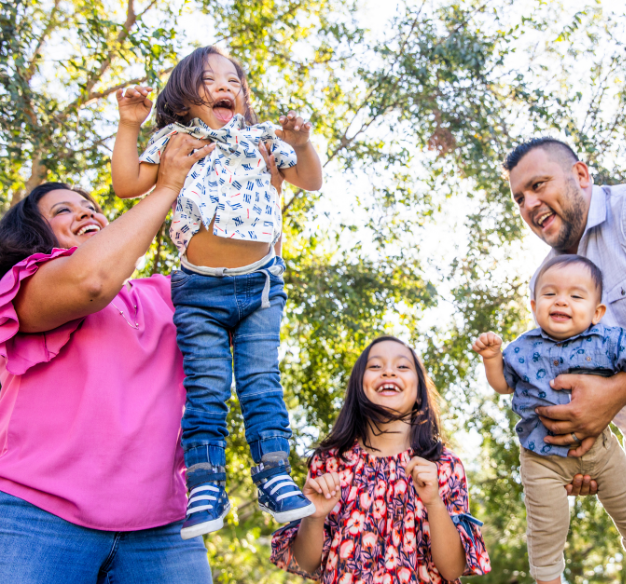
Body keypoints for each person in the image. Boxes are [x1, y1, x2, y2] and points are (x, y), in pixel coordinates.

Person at [111, 45, 323, 539]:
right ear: (185, 96)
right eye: (210, 79)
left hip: (261, 284)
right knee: (205, 391)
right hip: (198, 290)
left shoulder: (262, 138)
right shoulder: (174, 140)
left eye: (234, 80)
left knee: (260, 382)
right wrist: (128, 125)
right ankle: (205, 483)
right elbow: (125, 184)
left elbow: (309, 182)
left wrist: (302, 142)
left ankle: (274, 473)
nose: (226, 86)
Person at [0, 130, 218, 583]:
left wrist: (262, 181)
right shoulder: (22, 286)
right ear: (36, 233)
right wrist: (167, 187)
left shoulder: (164, 293)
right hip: (35, 516)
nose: (85, 212)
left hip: (163, 530)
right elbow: (91, 281)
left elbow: (243, 283)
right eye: (64, 210)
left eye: (91, 207)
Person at [271, 336, 491, 583]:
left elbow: (452, 570)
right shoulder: (329, 462)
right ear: (358, 387)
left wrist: (434, 503)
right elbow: (307, 563)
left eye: (402, 366)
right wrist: (314, 517)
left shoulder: (445, 465)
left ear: (419, 392)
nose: (388, 371)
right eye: (375, 366)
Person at [473, 255, 626, 584]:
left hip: (602, 451)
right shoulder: (522, 348)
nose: (561, 300)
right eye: (550, 293)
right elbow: (502, 384)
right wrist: (491, 359)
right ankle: (548, 580)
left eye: (576, 295)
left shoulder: (609, 340)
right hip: (541, 460)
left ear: (597, 312)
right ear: (533, 305)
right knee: (546, 530)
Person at [505, 137, 626, 496]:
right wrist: (571, 456)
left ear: (581, 175)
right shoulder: (543, 286)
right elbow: (563, 386)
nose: (529, 204)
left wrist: (615, 392)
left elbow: (603, 397)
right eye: (519, 198)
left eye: (537, 185)